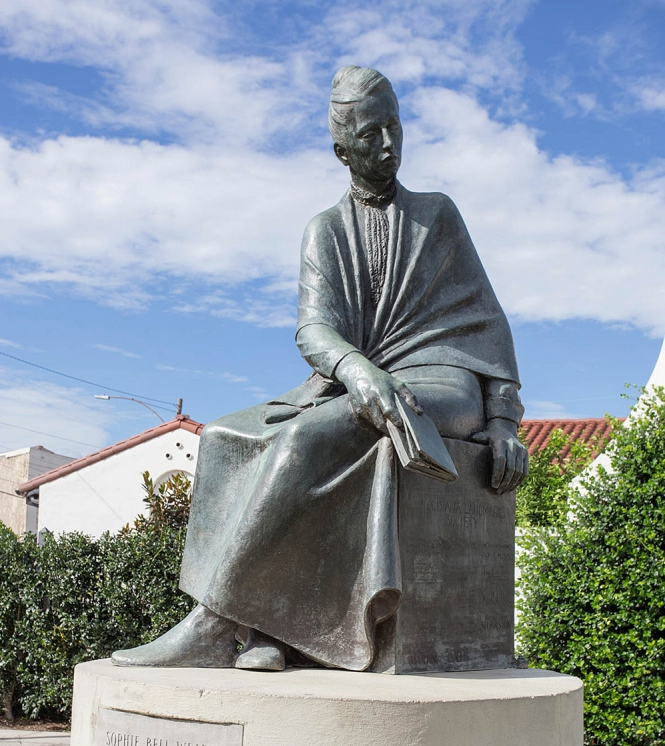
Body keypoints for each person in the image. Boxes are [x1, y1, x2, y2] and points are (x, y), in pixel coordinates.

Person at [113, 65, 527, 674]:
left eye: (395, 126)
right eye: (370, 135)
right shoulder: (325, 230)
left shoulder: (438, 216)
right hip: (357, 381)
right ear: (342, 149)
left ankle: (213, 625)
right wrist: (358, 370)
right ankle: (280, 632)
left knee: (312, 436)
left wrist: (503, 422)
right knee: (229, 439)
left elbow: (488, 325)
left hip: (443, 385)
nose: (388, 145)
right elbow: (314, 328)